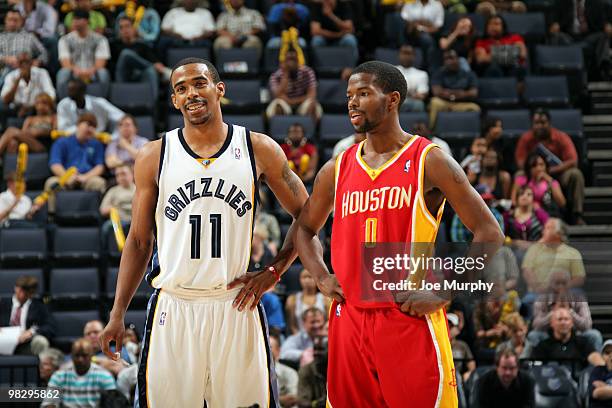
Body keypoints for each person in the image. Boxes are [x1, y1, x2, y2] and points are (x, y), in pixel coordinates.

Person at [100, 57, 309, 407]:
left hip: (236, 305)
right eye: (181, 88)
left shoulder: (258, 148)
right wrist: (117, 313)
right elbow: (139, 242)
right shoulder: (153, 155)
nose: (191, 93)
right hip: (175, 306)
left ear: (219, 89)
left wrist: (274, 271)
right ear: (174, 101)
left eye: (199, 83)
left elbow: (308, 215)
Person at [295, 61, 504, 407]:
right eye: (349, 96)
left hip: (406, 317)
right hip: (348, 319)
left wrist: (446, 290)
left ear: (392, 100)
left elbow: (490, 232)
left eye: (363, 94)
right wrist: (319, 276)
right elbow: (304, 228)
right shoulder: (338, 167)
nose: (352, 103)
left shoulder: (429, 160)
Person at [515, 108, 584, 224]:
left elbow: (573, 161)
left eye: (543, 123)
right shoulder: (526, 138)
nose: (540, 126)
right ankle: (517, 212)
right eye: (536, 123)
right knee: (519, 174)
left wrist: (550, 171)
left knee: (575, 174)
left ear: (549, 123)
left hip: (558, 174)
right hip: (533, 174)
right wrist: (533, 170)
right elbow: (520, 161)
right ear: (532, 124)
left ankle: (576, 215)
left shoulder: (561, 137)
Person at [521, 218, 585, 314]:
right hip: (538, 292)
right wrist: (537, 287)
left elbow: (579, 277)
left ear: (559, 233)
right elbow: (527, 271)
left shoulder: (573, 253)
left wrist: (564, 287)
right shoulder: (534, 249)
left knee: (579, 295)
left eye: (548, 228)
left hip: (565, 292)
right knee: (528, 300)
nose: (543, 231)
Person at [45, 112, 106, 211]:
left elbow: (100, 167)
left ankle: (96, 216)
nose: (90, 129)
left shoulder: (96, 144)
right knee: (51, 183)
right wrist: (67, 177)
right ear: (78, 124)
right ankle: (51, 217)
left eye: (94, 127)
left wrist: (85, 177)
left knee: (99, 183)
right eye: (88, 125)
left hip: (86, 178)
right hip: (65, 177)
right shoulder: (62, 142)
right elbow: (55, 164)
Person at [530, 270, 602, 351]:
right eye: (557, 283)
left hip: (575, 334)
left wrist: (570, 312)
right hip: (550, 335)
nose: (561, 287)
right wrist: (554, 313)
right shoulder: (541, 299)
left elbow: (587, 325)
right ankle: (538, 363)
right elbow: (536, 325)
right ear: (550, 285)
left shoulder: (579, 298)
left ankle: (595, 362)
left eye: (564, 283)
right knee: (534, 335)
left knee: (594, 335)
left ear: (569, 284)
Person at [41, 338, 116, 408]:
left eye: (84, 355)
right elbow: (49, 404)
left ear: (92, 355)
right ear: (71, 356)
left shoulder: (105, 376)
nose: (80, 359)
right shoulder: (59, 376)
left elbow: (112, 404)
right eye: (77, 355)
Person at [110, 16, 171, 101]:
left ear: (133, 28)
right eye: (121, 27)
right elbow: (111, 67)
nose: (125, 30)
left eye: (127, 26)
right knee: (126, 54)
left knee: (150, 71)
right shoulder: (113, 45)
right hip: (123, 76)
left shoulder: (142, 45)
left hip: (140, 76)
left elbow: (156, 61)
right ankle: (164, 70)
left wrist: (156, 66)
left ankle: (153, 104)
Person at [548, 0, 611, 80]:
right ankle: (555, 70)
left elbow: (602, 21)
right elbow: (553, 20)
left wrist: (606, 25)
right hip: (569, 36)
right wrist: (555, 24)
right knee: (557, 35)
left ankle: (604, 67)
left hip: (588, 36)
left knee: (603, 36)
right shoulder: (562, 3)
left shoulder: (595, 3)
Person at [531, 307, 605, 374]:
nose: (563, 322)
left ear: (572, 323)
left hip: (578, 383)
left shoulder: (583, 342)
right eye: (559, 319)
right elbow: (536, 369)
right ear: (551, 323)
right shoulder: (543, 345)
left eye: (566, 319)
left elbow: (596, 359)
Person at [57, 9, 111, 99]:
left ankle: (103, 102)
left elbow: (100, 64)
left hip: (93, 73)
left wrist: (90, 71)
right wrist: (76, 70)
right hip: (73, 73)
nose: (75, 22)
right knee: (63, 73)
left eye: (78, 19)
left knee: (103, 73)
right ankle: (63, 102)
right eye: (74, 19)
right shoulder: (65, 40)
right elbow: (65, 63)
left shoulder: (100, 39)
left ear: (87, 21)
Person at [0, 275, 55, 355]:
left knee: (41, 341)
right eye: (20, 291)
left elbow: (50, 327)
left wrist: (32, 332)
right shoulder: (3, 303)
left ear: (32, 293)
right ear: (15, 288)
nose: (22, 295)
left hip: (26, 343)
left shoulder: (39, 306)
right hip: (4, 341)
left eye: (26, 293)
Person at [266, 48, 322, 122]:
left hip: (302, 102)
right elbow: (277, 95)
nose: (291, 63)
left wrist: (294, 101)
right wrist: (286, 76)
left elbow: (312, 94)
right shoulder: (276, 75)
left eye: (293, 59)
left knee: (312, 105)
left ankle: (310, 131)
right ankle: (279, 131)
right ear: (284, 61)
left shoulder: (307, 72)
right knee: (277, 105)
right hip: (285, 103)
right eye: (289, 59)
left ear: (298, 61)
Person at [429, 49, 480, 128]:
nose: (449, 61)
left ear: (458, 59)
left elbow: (473, 93)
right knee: (434, 102)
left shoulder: (468, 74)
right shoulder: (438, 73)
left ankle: (473, 133)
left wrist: (449, 93)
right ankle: (430, 132)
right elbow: (437, 92)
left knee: (475, 108)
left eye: (452, 58)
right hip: (444, 103)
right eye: (446, 59)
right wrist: (462, 93)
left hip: (462, 104)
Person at [57, 78, 124, 135]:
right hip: (73, 139)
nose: (69, 93)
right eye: (69, 90)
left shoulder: (99, 103)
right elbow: (62, 129)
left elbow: (122, 118)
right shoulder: (63, 105)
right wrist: (82, 129)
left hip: (98, 139)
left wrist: (113, 137)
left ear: (83, 92)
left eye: (73, 90)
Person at [512, 152, 566, 218]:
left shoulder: (552, 182)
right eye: (534, 166)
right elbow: (514, 201)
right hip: (525, 214)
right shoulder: (520, 180)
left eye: (541, 165)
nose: (538, 168)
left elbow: (562, 203)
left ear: (546, 166)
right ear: (529, 168)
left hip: (547, 215)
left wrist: (550, 181)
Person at [1, 52, 55, 116]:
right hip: (17, 109)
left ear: (31, 63)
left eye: (26, 62)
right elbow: (5, 100)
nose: (24, 65)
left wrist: (34, 106)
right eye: (21, 62)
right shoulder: (10, 76)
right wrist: (18, 80)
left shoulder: (42, 73)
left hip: (37, 109)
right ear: (17, 64)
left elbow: (51, 95)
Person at [474, 15, 527, 79]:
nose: (492, 27)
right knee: (494, 68)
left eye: (496, 24)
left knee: (518, 69)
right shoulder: (481, 42)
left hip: (514, 69)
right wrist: (510, 52)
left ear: (503, 27)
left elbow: (522, 54)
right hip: (493, 71)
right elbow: (481, 59)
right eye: (489, 24)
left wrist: (491, 54)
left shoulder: (515, 37)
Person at [0, 9, 48, 82]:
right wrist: (5, 58)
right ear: (5, 21)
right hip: (8, 69)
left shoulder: (30, 37)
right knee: (7, 75)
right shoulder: (1, 37)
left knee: (42, 74)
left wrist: (37, 62)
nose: (12, 23)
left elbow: (44, 53)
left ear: (21, 22)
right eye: (10, 20)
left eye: (15, 20)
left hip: (28, 68)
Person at [285, 268, 331, 335]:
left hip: (322, 335)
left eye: (310, 277)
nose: (307, 280)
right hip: (300, 337)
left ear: (317, 279)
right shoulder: (292, 300)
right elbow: (292, 325)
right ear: (299, 280)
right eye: (304, 277)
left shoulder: (326, 299)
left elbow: (329, 321)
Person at [100, 164, 135, 247]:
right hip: (118, 221)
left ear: (132, 174)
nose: (120, 177)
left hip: (135, 221)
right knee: (106, 227)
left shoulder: (139, 189)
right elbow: (102, 209)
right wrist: (111, 209)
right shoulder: (113, 191)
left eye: (123, 173)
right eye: (118, 175)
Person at [399, 0, 444, 66]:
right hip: (411, 32)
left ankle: (426, 64)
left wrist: (423, 27)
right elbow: (404, 19)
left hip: (429, 33)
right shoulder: (410, 3)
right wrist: (423, 23)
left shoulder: (437, 5)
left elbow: (438, 26)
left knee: (426, 39)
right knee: (403, 29)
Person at [297, 327, 328, 407]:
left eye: (321, 350)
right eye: (315, 349)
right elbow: (302, 402)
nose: (316, 353)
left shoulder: (340, 370)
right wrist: (317, 404)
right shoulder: (306, 371)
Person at [395, 44, 428, 112]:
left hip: (413, 102)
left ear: (414, 56)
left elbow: (421, 96)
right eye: (403, 53)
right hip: (396, 101)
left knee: (419, 104)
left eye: (409, 54)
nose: (406, 56)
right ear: (399, 55)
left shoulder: (422, 74)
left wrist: (403, 93)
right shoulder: (391, 71)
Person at [270, 334, 299, 408]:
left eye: (270, 347)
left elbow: (293, 399)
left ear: (278, 351)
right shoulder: (254, 375)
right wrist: (280, 399)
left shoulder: (290, 373)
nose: (266, 351)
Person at [448, 312, 476, 382]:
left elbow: (471, 364)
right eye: (446, 326)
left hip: (458, 377)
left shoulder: (462, 345)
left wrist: (469, 373)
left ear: (457, 330)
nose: (447, 329)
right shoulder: (438, 345)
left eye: (451, 326)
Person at [589, 339, 612, 408]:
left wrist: (605, 387)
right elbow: (596, 393)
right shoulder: (598, 370)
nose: (611, 355)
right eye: (607, 353)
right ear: (602, 356)